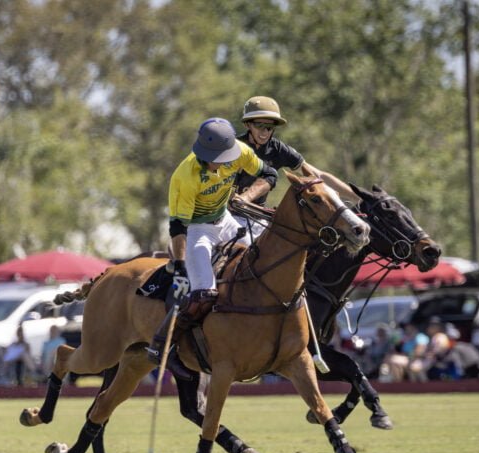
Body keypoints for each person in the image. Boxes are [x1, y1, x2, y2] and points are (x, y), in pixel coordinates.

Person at [145, 117, 278, 377]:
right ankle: (167, 344)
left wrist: (247, 196)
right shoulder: (185, 176)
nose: (219, 161)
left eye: (223, 155)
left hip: (227, 220)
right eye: (213, 156)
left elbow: (269, 174)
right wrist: (181, 266)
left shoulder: (240, 153)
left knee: (263, 266)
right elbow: (178, 227)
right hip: (197, 229)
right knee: (203, 292)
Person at [232, 96, 362, 238]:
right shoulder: (233, 147)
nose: (265, 132)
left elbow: (319, 177)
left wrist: (358, 196)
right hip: (225, 216)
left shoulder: (278, 149)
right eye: (259, 126)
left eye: (269, 127)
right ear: (247, 125)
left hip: (256, 219)